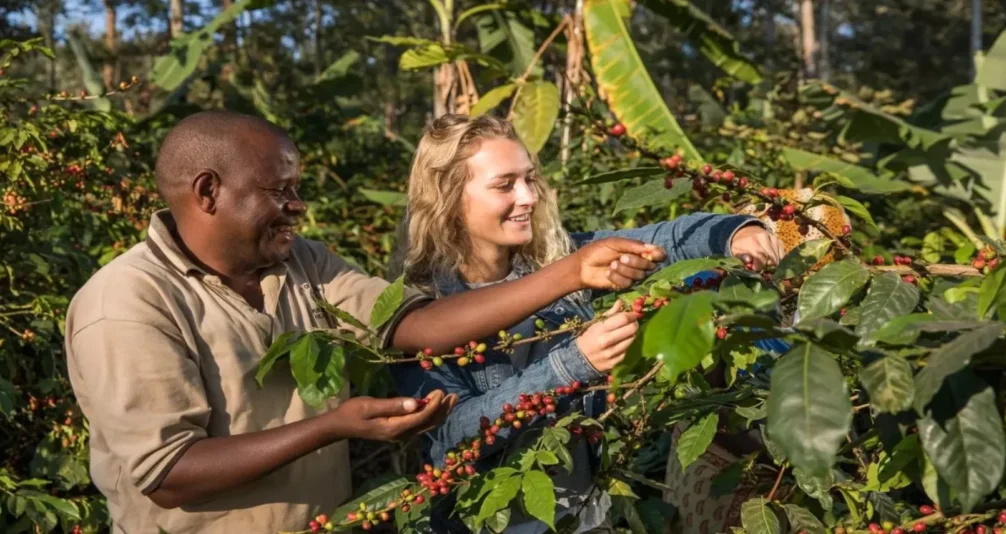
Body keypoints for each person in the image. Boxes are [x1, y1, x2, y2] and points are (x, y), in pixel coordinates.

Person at [63, 111, 669, 534]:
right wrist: (333, 427)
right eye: (281, 191)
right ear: (207, 192)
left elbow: (421, 326)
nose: (299, 207)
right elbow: (170, 474)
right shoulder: (126, 303)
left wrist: (568, 274)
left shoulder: (303, 263)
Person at [389, 114, 784, 534]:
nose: (527, 197)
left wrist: (736, 232)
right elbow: (452, 437)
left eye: (530, 179)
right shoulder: (418, 310)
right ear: (449, 197)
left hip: (584, 519)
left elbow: (662, 241)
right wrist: (576, 362)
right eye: (504, 185)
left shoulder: (558, 260)